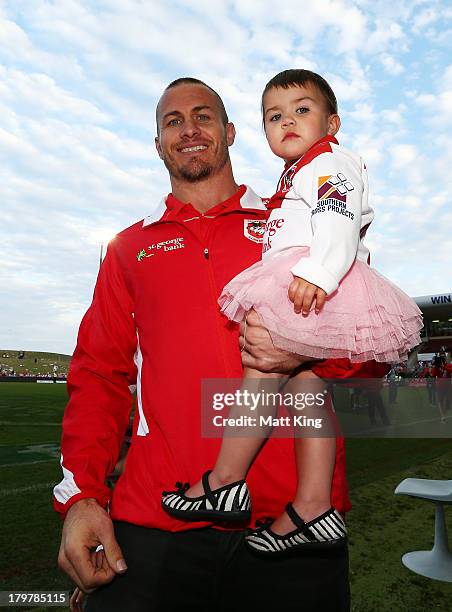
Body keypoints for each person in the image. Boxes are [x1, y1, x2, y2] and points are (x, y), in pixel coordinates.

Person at [54, 77, 352, 611]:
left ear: (232, 132)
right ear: (158, 143)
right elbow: (100, 375)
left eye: (203, 116)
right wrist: (81, 499)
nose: (188, 129)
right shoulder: (128, 248)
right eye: (173, 121)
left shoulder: (297, 224)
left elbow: (368, 353)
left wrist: (304, 349)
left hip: (290, 525)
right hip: (155, 520)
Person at [162, 70, 422, 552]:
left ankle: (224, 480)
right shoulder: (304, 168)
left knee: (261, 367)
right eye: (274, 116)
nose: (287, 122)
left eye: (302, 110)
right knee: (306, 385)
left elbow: (338, 220)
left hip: (314, 279)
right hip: (315, 275)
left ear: (333, 121)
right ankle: (313, 504)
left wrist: (319, 275)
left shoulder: (329, 161)